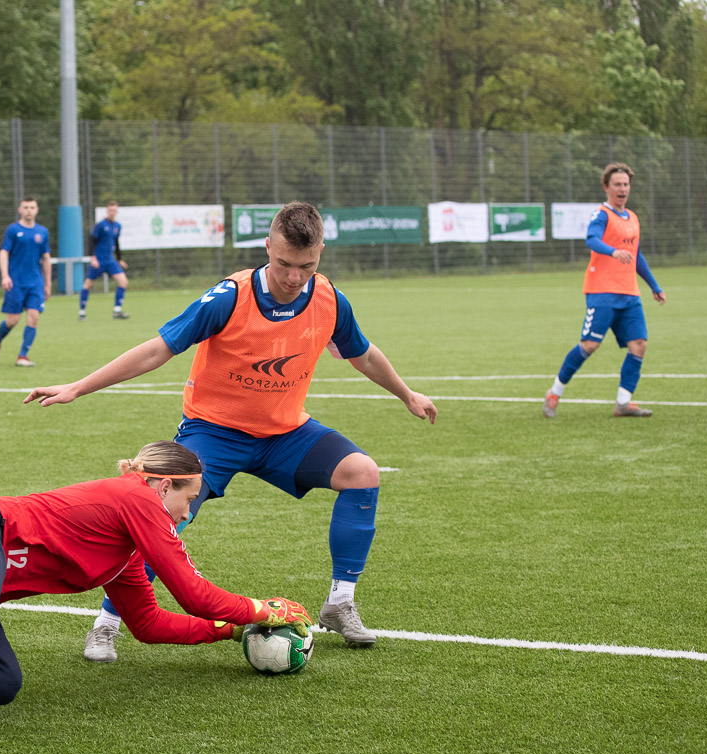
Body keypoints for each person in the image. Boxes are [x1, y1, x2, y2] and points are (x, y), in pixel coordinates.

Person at [26, 201, 437, 660]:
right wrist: (79, 387)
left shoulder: (329, 299)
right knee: (160, 512)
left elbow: (364, 354)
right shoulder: (229, 297)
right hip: (213, 433)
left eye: (306, 266)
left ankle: (340, 603)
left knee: (362, 472)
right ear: (268, 247)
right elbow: (158, 350)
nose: (293, 277)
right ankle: (107, 622)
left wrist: (407, 394)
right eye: (284, 264)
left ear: (320, 252)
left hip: (284, 433)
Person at [0, 440, 311, 705]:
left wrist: (231, 629)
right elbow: (192, 592)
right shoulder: (137, 498)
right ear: (162, 486)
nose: (187, 512)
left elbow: (148, 624)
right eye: (189, 498)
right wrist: (261, 609)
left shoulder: (125, 555)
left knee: (0, 683)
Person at [542, 163, 666, 419]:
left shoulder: (633, 218)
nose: (622, 189)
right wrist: (613, 251)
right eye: (617, 184)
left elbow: (636, 255)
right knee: (589, 345)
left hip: (629, 294)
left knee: (639, 345)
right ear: (606, 187)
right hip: (602, 292)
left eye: (626, 184)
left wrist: (654, 286)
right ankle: (554, 392)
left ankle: (623, 403)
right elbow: (592, 239)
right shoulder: (601, 215)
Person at [0, 196, 51, 367]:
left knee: (34, 316)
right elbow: (3, 252)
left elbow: (46, 258)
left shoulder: (42, 232)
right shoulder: (13, 230)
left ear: (36, 210)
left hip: (35, 282)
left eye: (32, 207)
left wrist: (48, 283)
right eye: (25, 207)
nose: (29, 211)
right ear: (20, 210)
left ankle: (22, 355)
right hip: (15, 281)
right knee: (13, 320)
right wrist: (5, 276)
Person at [79, 200, 130, 320]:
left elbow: (116, 243)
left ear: (117, 211)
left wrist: (120, 259)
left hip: (110, 260)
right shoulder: (101, 225)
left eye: (114, 210)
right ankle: (82, 312)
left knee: (123, 282)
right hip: (99, 260)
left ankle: (117, 310)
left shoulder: (117, 226)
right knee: (87, 285)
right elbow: (91, 241)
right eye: (110, 210)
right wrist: (93, 258)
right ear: (107, 211)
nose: (112, 212)